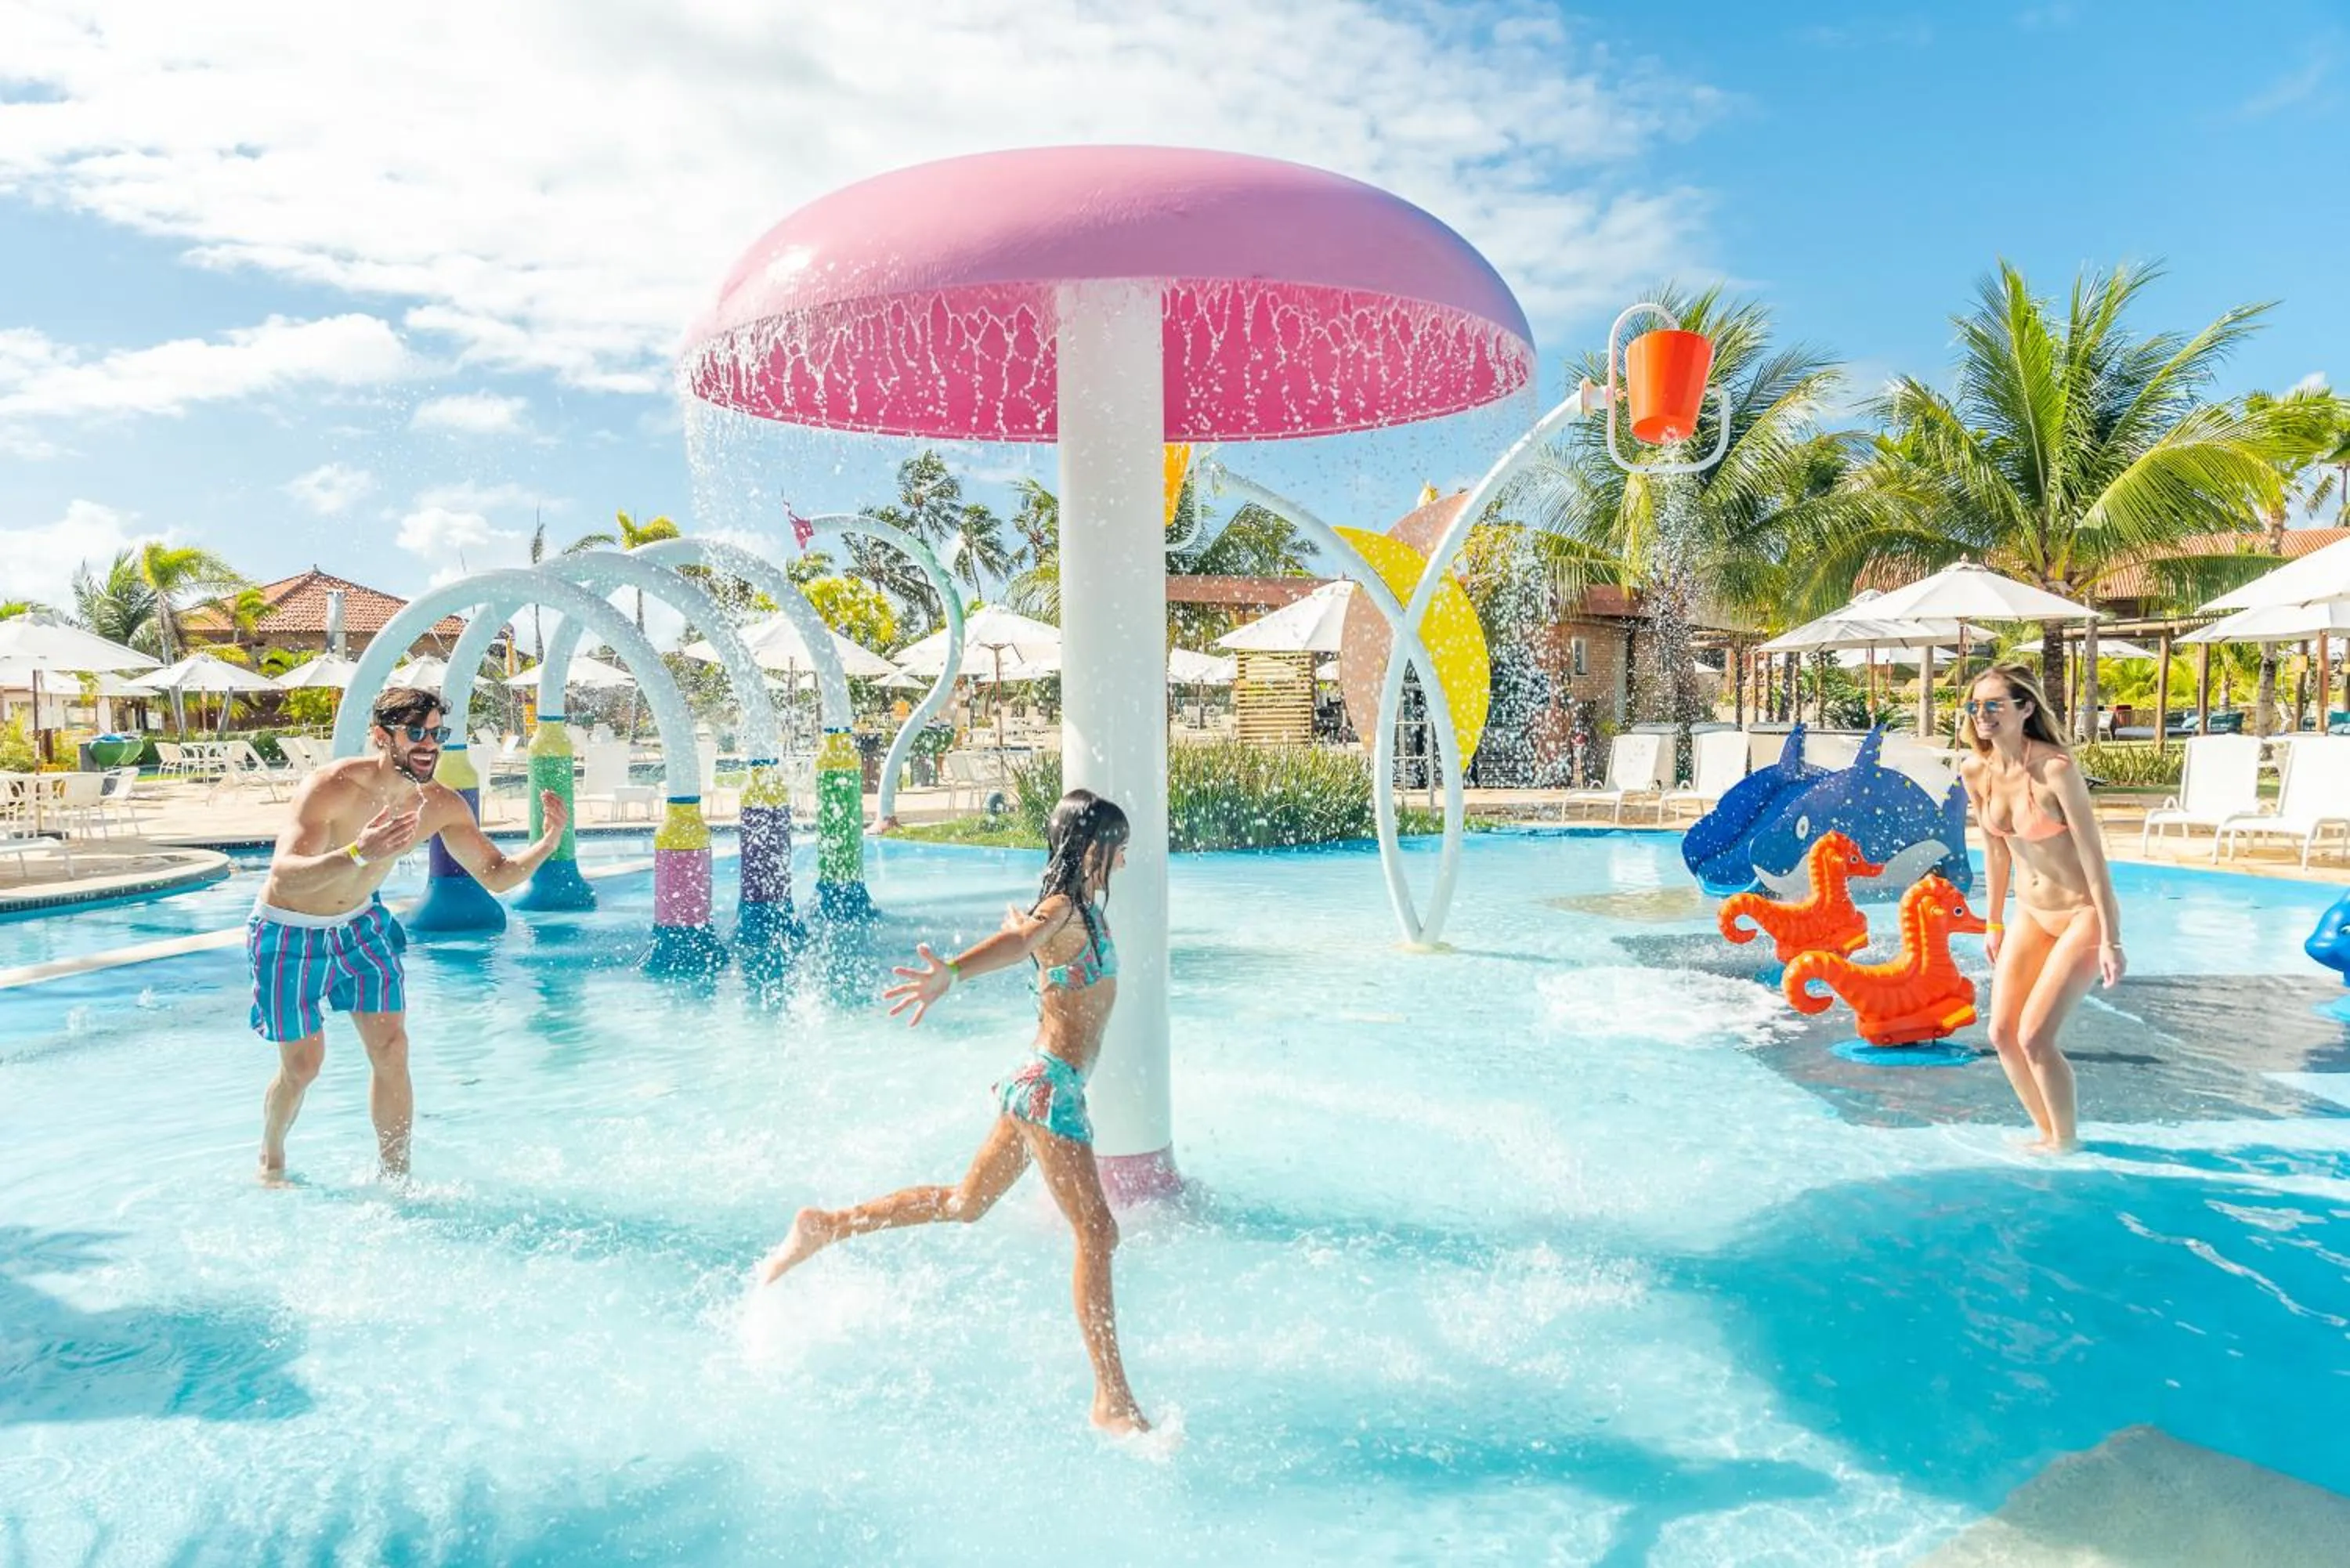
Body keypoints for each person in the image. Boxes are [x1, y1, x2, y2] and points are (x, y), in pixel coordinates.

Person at [758, 789, 1150, 1435]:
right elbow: (1017, 939)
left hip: (1042, 1086)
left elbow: (1029, 938)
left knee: (963, 1204)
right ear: (1092, 849)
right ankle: (1111, 1399)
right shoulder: (1059, 910)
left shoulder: (1078, 911)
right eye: (1121, 851)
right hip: (1047, 1090)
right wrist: (955, 975)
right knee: (1098, 1234)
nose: (1125, 865)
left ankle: (828, 1225)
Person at [249, 685, 568, 1182]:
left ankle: (396, 1177)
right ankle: (272, 1157)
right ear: (382, 736)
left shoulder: (439, 804)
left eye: (436, 734)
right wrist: (359, 853)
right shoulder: (331, 787)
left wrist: (548, 843)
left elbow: (497, 875)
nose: (428, 744)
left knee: (393, 1050)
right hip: (291, 933)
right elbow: (286, 875)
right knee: (303, 1066)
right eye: (415, 733)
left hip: (360, 929)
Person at [1958, 664, 2125, 1154]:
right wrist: (1992, 921)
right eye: (1976, 705)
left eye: (1994, 705)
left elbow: (2094, 858)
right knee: (2002, 1033)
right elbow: (1993, 850)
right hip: (2030, 913)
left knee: (2035, 1037)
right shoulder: (1975, 770)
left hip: (2081, 915)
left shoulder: (2055, 770)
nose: (1982, 714)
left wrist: (2111, 939)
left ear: (2025, 708)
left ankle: (2066, 1143)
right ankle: (2047, 1134)